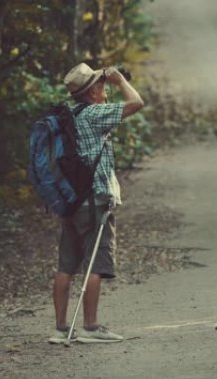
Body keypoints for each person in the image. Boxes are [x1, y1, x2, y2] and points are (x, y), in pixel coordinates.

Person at [48, 62, 144, 344]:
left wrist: (106, 79)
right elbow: (136, 102)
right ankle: (90, 328)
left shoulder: (69, 116)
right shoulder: (94, 115)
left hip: (70, 201)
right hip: (95, 201)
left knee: (66, 265)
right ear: (92, 93)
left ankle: (60, 328)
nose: (104, 91)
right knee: (95, 265)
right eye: (100, 87)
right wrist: (119, 82)